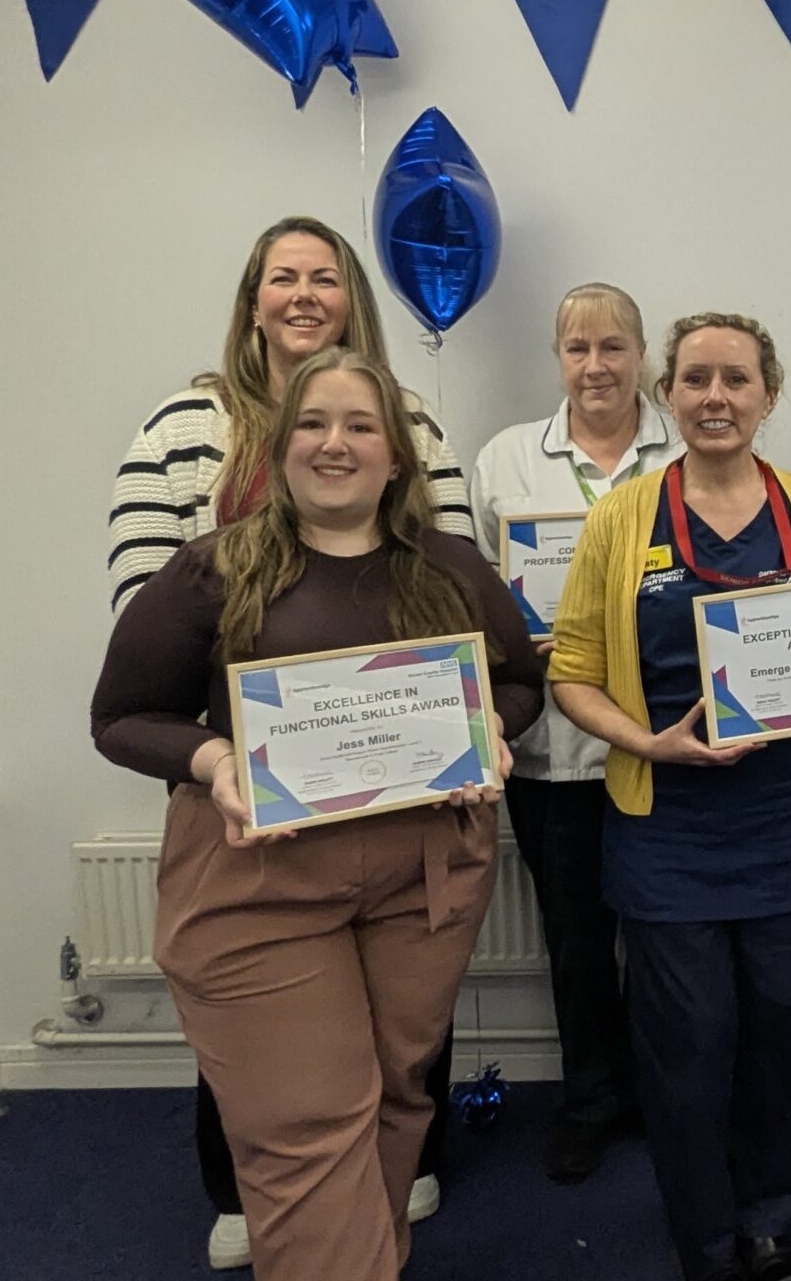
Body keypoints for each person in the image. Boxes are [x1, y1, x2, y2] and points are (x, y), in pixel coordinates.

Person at [91, 349, 542, 1281]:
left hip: (425, 883)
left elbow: (519, 683)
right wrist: (215, 758)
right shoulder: (212, 570)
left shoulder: (450, 566)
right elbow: (122, 719)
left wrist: (489, 728)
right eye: (312, 424)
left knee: (392, 1103)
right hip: (260, 885)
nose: (334, 443)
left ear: (398, 458)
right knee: (305, 1124)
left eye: (360, 426)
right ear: (277, 445)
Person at [548, 312, 791, 1281]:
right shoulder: (621, 518)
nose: (715, 397)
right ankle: (705, 1237)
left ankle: (767, 1220)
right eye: (696, 380)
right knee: (685, 1052)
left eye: (736, 380)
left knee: (787, 1042)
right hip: (666, 832)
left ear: (768, 394)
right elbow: (575, 670)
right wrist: (649, 743)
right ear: (667, 394)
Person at [469, 283, 677, 1182]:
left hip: (666, 743)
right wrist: (515, 633)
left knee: (674, 942)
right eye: (577, 348)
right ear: (558, 358)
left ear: (641, 356)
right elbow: (471, 592)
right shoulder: (507, 459)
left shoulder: (687, 450)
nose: (595, 366)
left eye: (613, 347)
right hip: (551, 751)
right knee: (578, 943)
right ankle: (595, 1098)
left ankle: (673, 1096)